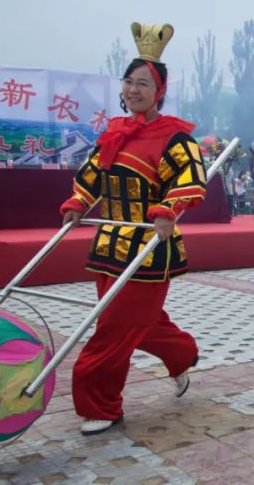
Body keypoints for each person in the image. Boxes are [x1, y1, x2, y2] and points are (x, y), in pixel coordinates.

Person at [59, 22, 203, 436]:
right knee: (139, 323)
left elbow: (189, 180)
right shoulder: (114, 134)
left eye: (143, 83)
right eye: (128, 82)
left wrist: (167, 209)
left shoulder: (175, 137)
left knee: (113, 329)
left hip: (151, 246)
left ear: (159, 92)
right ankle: (183, 354)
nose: (134, 90)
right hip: (111, 244)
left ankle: (101, 405)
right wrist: (77, 204)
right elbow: (92, 178)